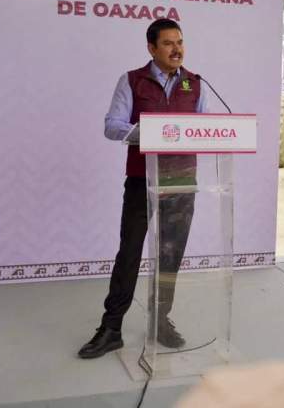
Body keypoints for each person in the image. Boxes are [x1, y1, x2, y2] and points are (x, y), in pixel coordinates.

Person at [78, 18, 207, 359]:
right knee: (130, 252)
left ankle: (160, 320)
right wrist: (149, 132)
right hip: (142, 180)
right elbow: (112, 126)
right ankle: (111, 328)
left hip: (182, 181)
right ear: (151, 48)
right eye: (168, 43)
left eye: (180, 42)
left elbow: (207, 127)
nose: (177, 49)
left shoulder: (195, 83)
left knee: (171, 255)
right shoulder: (132, 80)